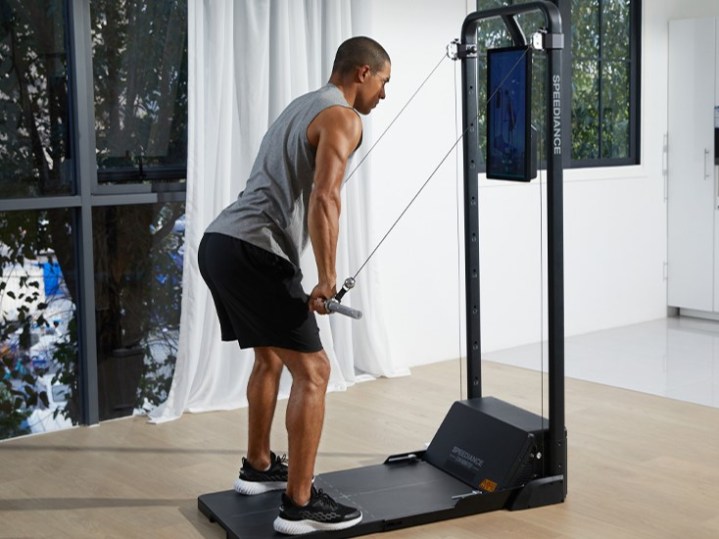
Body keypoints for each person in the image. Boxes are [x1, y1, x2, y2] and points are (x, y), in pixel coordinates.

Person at [198, 36, 391, 535]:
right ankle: (299, 504)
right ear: (363, 73)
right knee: (316, 372)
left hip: (219, 244)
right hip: (254, 251)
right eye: (383, 82)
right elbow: (325, 197)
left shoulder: (304, 104)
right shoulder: (343, 117)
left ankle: (258, 465)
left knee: (269, 358)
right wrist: (327, 278)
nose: (384, 95)